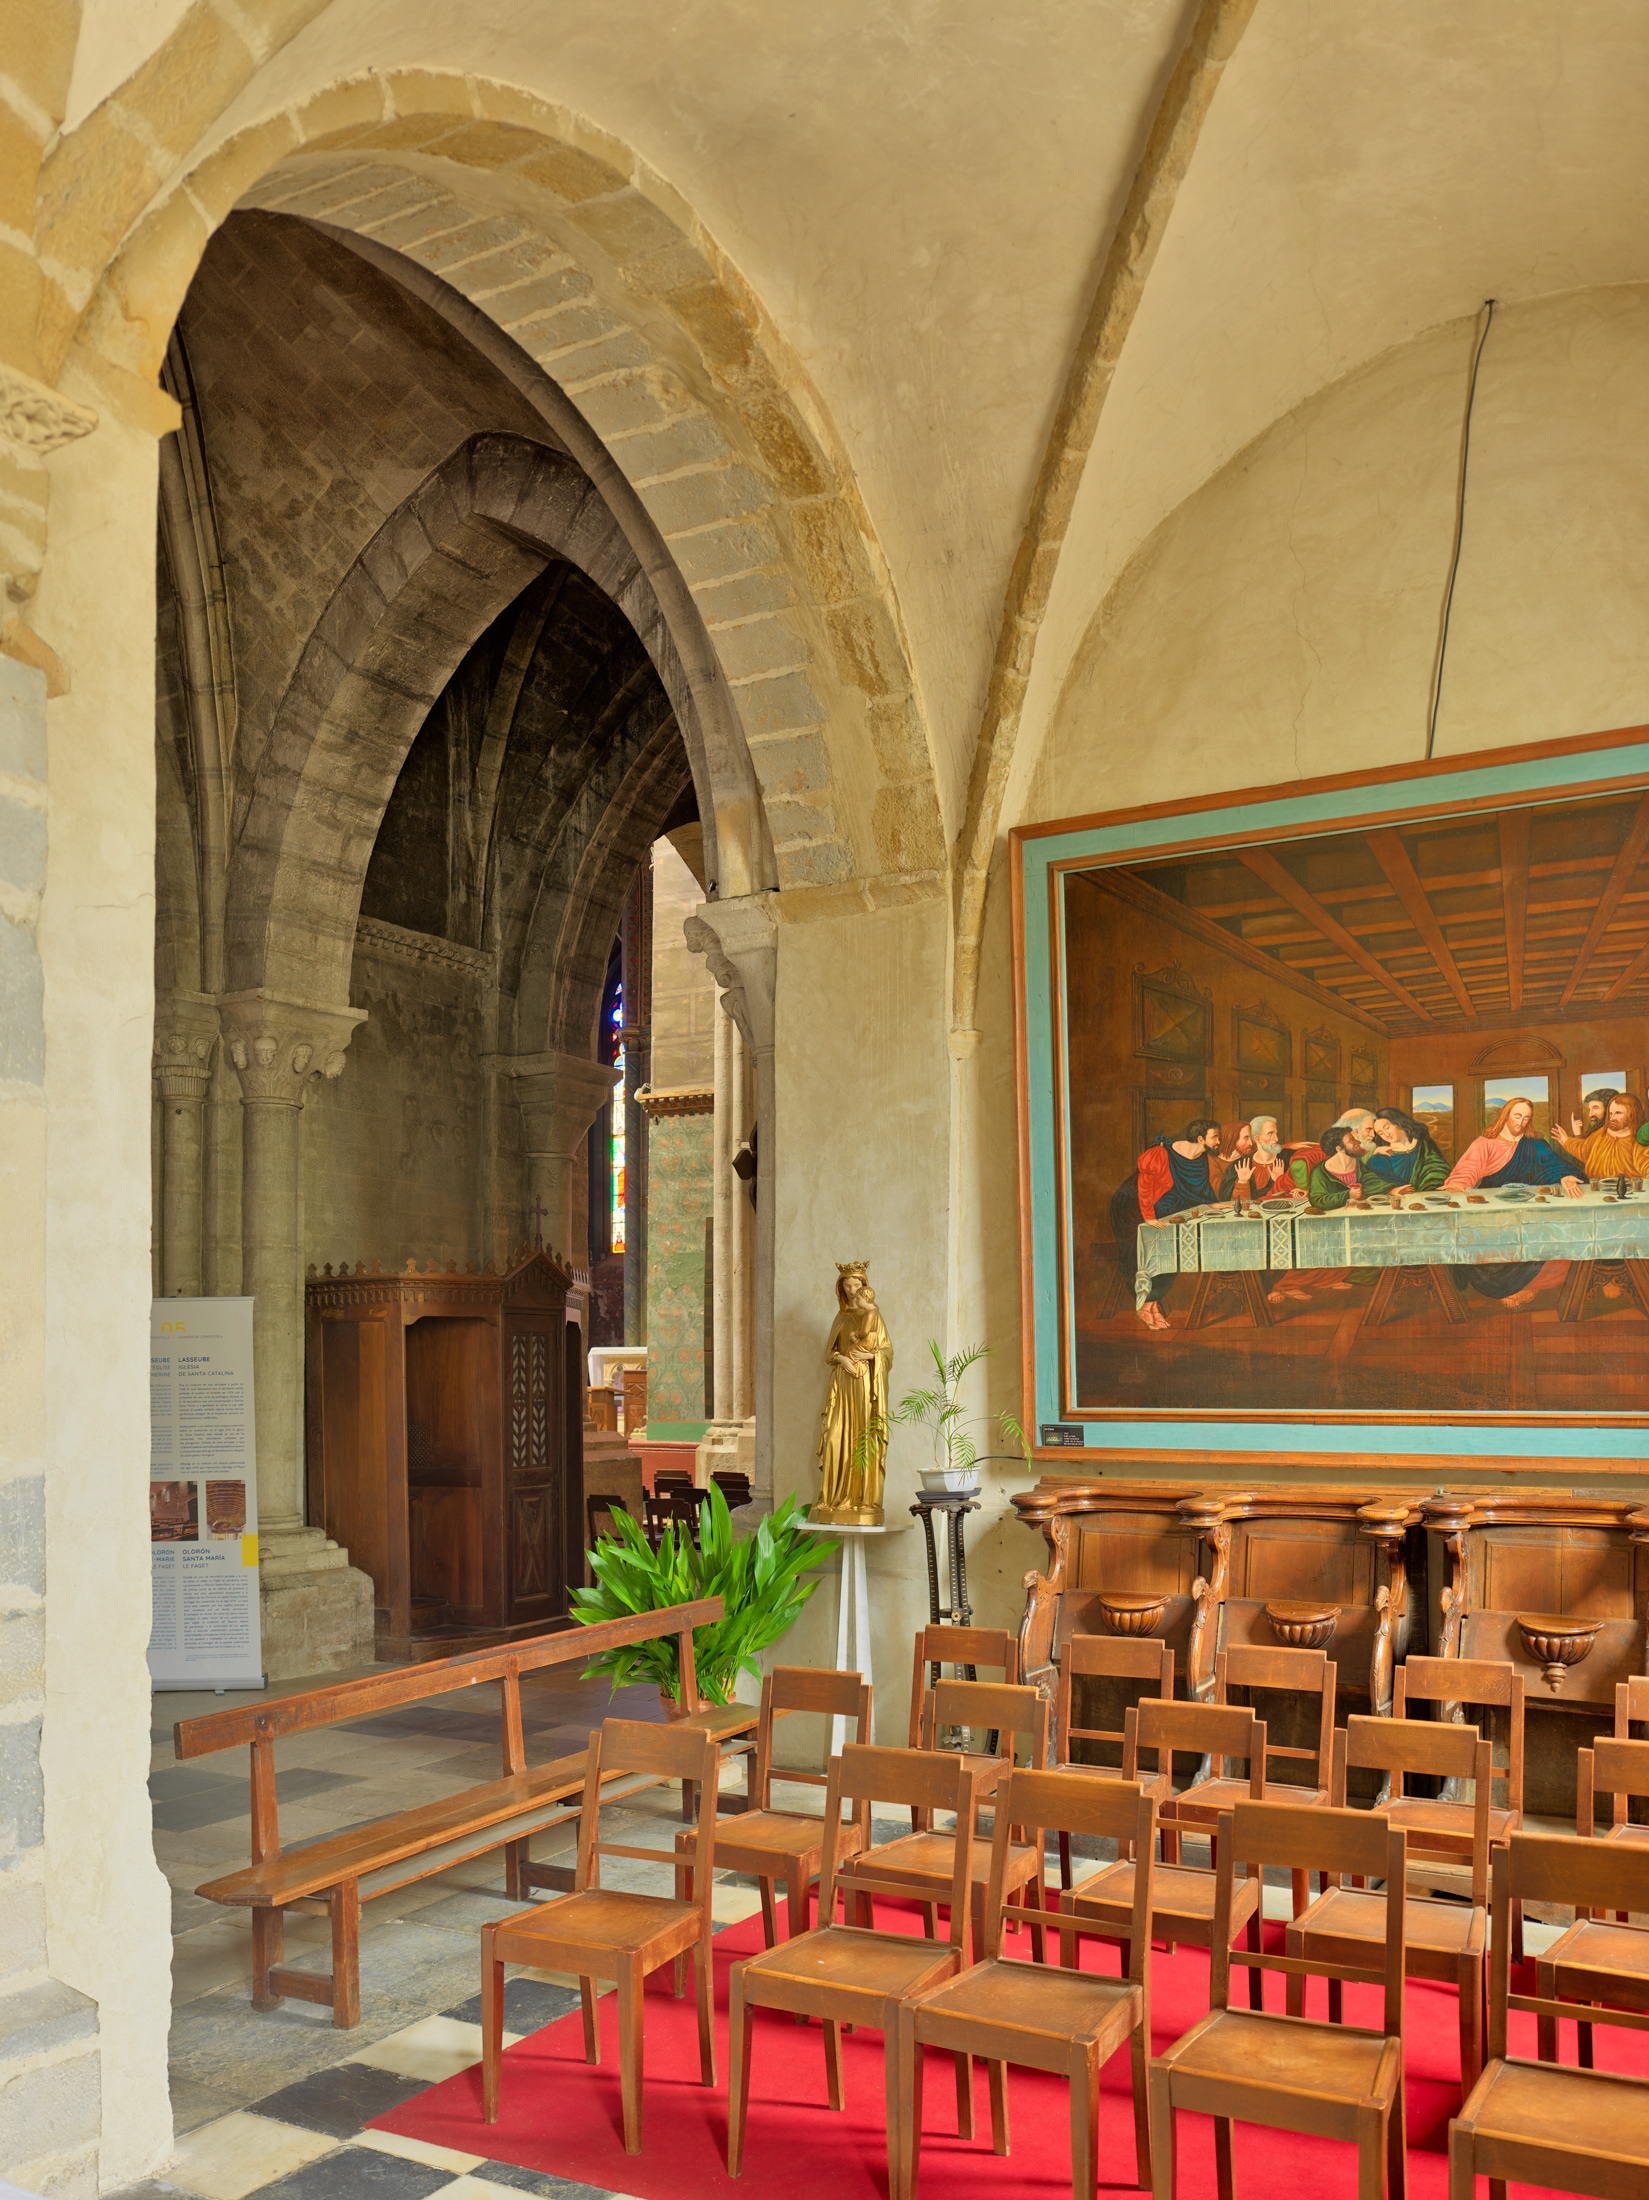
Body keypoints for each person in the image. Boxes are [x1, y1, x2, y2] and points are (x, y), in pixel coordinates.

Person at [1443, 1095, 1583, 1306]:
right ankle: (1510, 1286)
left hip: (1531, 1211)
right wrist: (1459, 1183)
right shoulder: (1485, 1143)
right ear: (1505, 1115)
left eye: (1526, 1118)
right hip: (1493, 1212)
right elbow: (1468, 1169)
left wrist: (1565, 1176)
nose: (1521, 1122)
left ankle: (1525, 1285)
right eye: (1517, 1116)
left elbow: (1555, 1165)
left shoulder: (1534, 1143)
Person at [1110, 1117, 1224, 1333]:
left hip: (1168, 1209)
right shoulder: (1162, 1153)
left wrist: (1213, 1204)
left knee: (1173, 1250)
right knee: (1157, 1249)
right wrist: (1149, 1217)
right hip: (1134, 1208)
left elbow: (1201, 1190)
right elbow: (1144, 1186)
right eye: (1215, 1137)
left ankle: (1151, 1305)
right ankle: (1145, 1306)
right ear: (1201, 1139)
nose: (1219, 1141)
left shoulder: (1201, 1158)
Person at [1553, 1090, 1649, 1180]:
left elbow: (1645, 1163)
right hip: (1597, 1189)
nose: (1612, 1118)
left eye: (1618, 1113)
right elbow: (1584, 1149)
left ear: (1632, 1114)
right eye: (1611, 1113)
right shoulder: (1600, 1134)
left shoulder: (1639, 1139)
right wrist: (1567, 1141)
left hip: (1629, 1192)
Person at [1363, 1105, 1450, 1193]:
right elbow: (1369, 1182)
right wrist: (1391, 1190)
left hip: (1425, 1196)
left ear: (1398, 1122)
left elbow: (1439, 1166)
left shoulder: (1422, 1143)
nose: (1386, 1134)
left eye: (1387, 1127)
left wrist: (1427, 1187)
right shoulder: (1379, 1158)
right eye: (1380, 1133)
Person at [1289, 1106, 1376, 1192]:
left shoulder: (1364, 1149)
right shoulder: (1328, 1150)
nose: (1373, 1135)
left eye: (1374, 1130)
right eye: (1369, 1129)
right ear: (1355, 1132)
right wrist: (1306, 1190)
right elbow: (1298, 1164)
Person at [1307, 1122, 1372, 1212]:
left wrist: (1392, 1190)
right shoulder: (1320, 1172)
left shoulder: (1360, 1165)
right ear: (1339, 1149)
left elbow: (1374, 1183)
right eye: (1351, 1140)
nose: (1358, 1142)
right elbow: (1317, 1200)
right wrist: (1348, 1195)